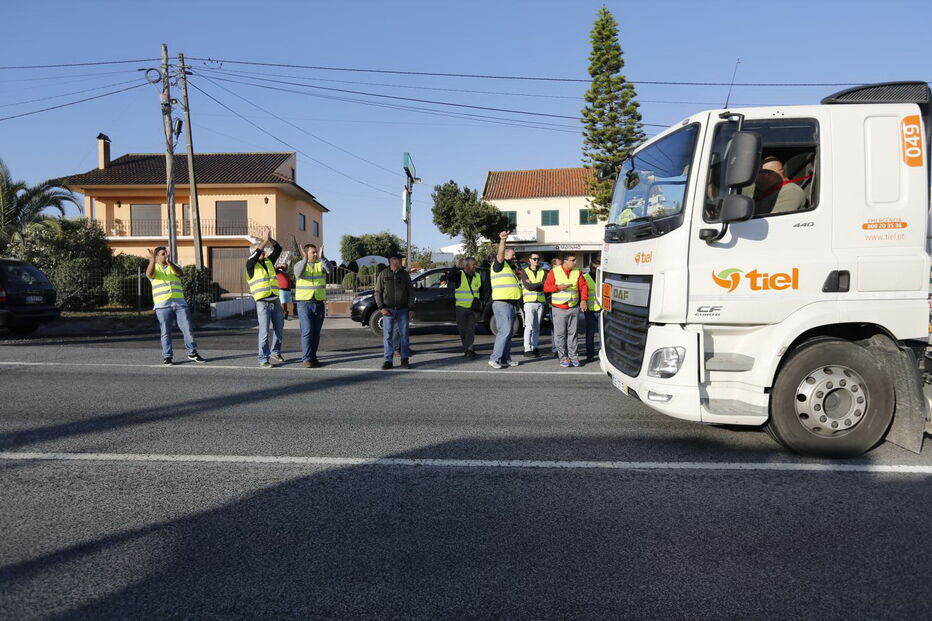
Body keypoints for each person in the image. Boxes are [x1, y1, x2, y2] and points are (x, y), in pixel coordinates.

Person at [146, 246, 205, 366]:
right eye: (163, 254)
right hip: (162, 305)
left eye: (166, 253)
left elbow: (180, 272)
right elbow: (149, 274)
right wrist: (152, 261)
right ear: (157, 256)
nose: (165, 255)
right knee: (166, 332)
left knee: (187, 329)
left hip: (179, 303)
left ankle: (192, 353)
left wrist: (169, 262)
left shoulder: (174, 266)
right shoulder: (154, 268)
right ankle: (167, 356)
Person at [246, 226, 285, 368]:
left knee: (279, 328)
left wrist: (270, 239)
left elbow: (278, 249)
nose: (264, 252)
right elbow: (257, 253)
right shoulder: (250, 265)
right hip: (262, 303)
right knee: (264, 332)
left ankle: (275, 352)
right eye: (261, 251)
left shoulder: (268, 261)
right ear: (254, 253)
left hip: (275, 300)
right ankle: (263, 358)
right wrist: (264, 240)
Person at [543, 253, 588, 368]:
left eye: (575, 260)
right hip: (559, 308)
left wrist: (583, 300)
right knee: (560, 335)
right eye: (573, 260)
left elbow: (583, 286)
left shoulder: (577, 271)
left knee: (573, 334)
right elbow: (546, 287)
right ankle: (563, 358)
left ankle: (574, 356)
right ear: (565, 261)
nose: (575, 262)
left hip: (573, 307)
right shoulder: (554, 272)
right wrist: (558, 287)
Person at [293, 243, 332, 368]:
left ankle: (313, 357)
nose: (315, 254)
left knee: (316, 332)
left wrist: (323, 258)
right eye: (312, 252)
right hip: (304, 303)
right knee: (308, 330)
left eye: (316, 252)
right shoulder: (299, 265)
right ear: (306, 253)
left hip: (319, 303)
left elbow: (330, 270)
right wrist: (304, 259)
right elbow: (298, 274)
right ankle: (306, 358)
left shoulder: (320, 264)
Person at [488, 231, 522, 369]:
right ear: (506, 254)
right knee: (505, 331)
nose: (514, 256)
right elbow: (500, 254)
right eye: (512, 254)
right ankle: (494, 358)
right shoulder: (499, 264)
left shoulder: (509, 267)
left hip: (511, 303)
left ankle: (505, 358)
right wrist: (502, 240)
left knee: (508, 332)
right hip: (502, 303)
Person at [375, 252, 414, 369]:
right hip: (388, 311)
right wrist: (381, 307)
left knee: (404, 336)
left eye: (400, 260)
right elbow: (377, 292)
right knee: (387, 336)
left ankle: (404, 359)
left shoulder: (405, 275)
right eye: (398, 260)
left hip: (403, 311)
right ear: (392, 261)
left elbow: (411, 292)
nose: (401, 262)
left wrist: (411, 308)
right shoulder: (383, 274)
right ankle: (388, 360)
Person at [448, 257, 489, 358]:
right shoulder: (459, 275)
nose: (475, 266)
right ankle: (466, 348)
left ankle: (469, 349)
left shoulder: (478, 276)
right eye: (473, 264)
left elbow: (482, 291)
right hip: (461, 307)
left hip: (473, 308)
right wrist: (456, 265)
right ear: (466, 266)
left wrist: (482, 303)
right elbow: (450, 277)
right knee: (462, 329)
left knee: (470, 329)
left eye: (475, 264)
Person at [521, 253, 547, 358]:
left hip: (540, 301)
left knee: (537, 327)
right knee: (529, 326)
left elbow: (544, 286)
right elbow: (529, 286)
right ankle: (527, 349)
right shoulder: (524, 272)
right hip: (529, 301)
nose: (536, 260)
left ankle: (534, 348)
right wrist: (540, 284)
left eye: (538, 259)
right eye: (534, 259)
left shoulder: (543, 271)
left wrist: (537, 285)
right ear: (530, 260)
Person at [582, 260, 602, 363]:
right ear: (591, 268)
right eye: (595, 268)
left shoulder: (603, 277)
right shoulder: (585, 278)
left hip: (601, 309)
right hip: (590, 310)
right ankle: (590, 354)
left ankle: (603, 355)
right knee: (590, 334)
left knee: (602, 334)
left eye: (599, 268)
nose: (597, 270)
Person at [548, 256, 562, 357]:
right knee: (556, 329)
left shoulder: (562, 274)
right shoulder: (550, 275)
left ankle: (560, 348)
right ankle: (556, 349)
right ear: (554, 266)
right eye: (559, 265)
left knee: (562, 329)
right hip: (553, 305)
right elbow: (547, 289)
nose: (561, 266)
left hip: (563, 305)